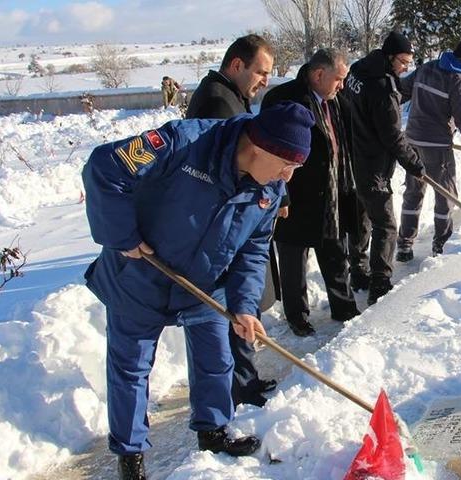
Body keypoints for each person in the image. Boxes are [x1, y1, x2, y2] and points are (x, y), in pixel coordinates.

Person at [82, 102, 315, 480]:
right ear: (259, 147)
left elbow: (253, 252)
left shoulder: (270, 190)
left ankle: (214, 430)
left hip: (206, 284)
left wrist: (244, 306)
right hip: (141, 275)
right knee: (130, 369)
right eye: (287, 165)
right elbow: (103, 168)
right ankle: (131, 457)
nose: (288, 176)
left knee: (215, 359)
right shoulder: (182, 142)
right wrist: (121, 234)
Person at [186, 34, 282, 406]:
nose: (264, 81)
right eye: (261, 72)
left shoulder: (231, 96)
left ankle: (244, 379)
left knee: (242, 300)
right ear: (237, 65)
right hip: (221, 222)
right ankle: (239, 385)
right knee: (232, 304)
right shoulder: (216, 101)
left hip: (230, 219)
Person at [261, 49, 361, 336]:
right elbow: (269, 155)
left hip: (332, 194)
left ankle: (344, 306)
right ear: (319, 75)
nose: (342, 85)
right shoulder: (283, 99)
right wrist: (281, 195)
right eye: (339, 79)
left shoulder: (336, 101)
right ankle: (297, 315)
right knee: (294, 259)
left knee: (335, 253)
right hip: (297, 197)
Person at [342, 31, 426, 305]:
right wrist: (414, 163)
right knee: (386, 225)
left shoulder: (358, 69)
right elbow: (393, 136)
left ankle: (359, 271)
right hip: (374, 165)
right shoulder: (383, 89)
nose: (405, 67)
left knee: (363, 217)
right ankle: (380, 283)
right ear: (390, 57)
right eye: (403, 62)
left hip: (354, 154)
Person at [396, 39, 461, 261]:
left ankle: (404, 245)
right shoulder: (457, 79)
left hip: (412, 141)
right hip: (438, 146)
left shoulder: (427, 68)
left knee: (413, 193)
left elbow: (401, 91)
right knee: (445, 195)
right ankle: (441, 244)